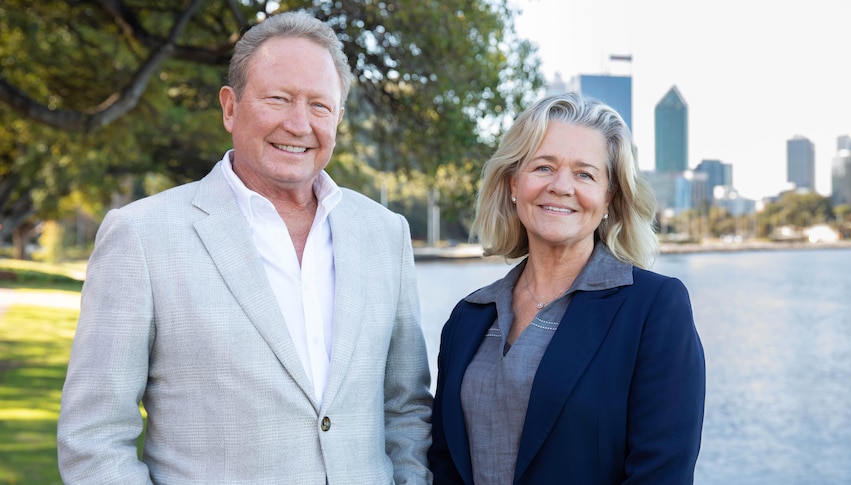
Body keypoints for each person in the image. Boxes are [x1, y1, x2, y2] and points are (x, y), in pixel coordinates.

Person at [57, 11, 433, 484]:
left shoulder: (385, 234)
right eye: (278, 98)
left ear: (338, 117)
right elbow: (93, 439)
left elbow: (406, 409)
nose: (299, 124)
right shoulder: (142, 236)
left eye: (319, 105)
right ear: (230, 107)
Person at [428, 92, 706, 484]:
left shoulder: (655, 309)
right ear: (513, 183)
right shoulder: (468, 317)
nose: (561, 186)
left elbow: (662, 474)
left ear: (609, 197)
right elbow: (443, 463)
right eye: (543, 167)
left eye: (585, 174)